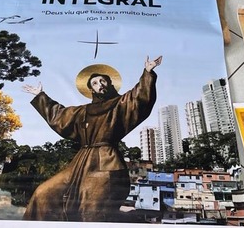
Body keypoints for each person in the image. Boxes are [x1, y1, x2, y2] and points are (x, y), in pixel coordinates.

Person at [21, 55, 162, 222]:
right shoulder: (83, 111)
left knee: (91, 209)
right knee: (43, 193)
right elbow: (59, 116)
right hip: (81, 162)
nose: (100, 84)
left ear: (110, 83)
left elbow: (139, 98)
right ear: (91, 89)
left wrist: (147, 72)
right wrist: (40, 96)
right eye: (95, 83)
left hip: (106, 161)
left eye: (103, 81)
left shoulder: (120, 104)